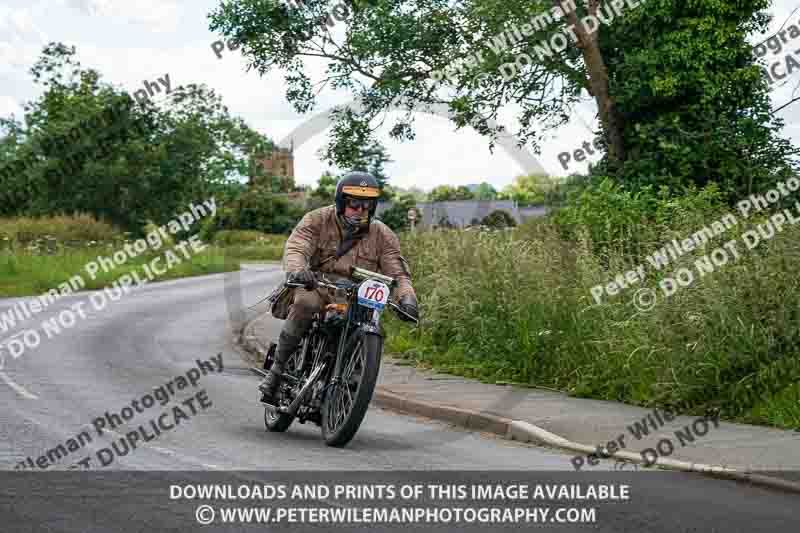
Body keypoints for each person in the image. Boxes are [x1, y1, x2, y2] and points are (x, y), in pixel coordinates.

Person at [260, 171, 419, 405]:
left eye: (367, 205)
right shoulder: (317, 219)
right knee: (305, 304)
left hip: (355, 294)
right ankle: (277, 371)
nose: (360, 209)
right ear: (342, 201)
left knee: (369, 322)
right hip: (316, 284)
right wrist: (298, 270)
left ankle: (353, 381)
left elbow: (397, 272)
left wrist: (407, 299)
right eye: (354, 203)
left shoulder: (383, 234)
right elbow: (297, 247)